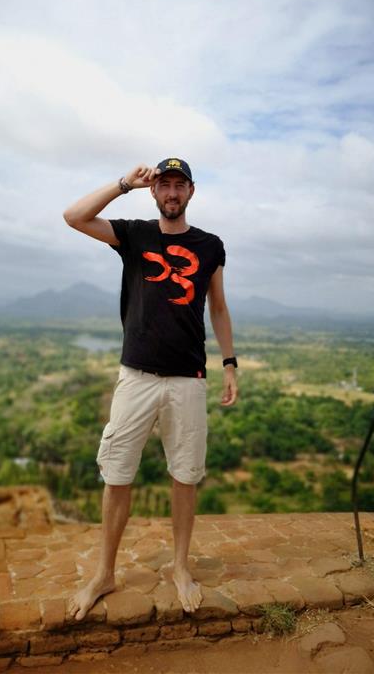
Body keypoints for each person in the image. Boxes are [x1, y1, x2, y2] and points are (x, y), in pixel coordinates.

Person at [62, 158, 238, 620]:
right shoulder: (134, 235)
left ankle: (180, 566)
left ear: (191, 191)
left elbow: (218, 308)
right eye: (165, 184)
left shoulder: (210, 245)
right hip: (136, 376)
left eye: (180, 185)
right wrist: (124, 183)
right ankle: (104, 573)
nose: (172, 192)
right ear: (155, 191)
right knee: (117, 473)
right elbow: (74, 216)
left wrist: (230, 363)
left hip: (188, 379)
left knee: (185, 475)